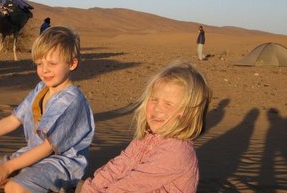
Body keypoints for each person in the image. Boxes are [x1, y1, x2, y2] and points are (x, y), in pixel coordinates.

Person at [0, 26, 95, 193]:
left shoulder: (71, 101)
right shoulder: (41, 89)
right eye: (39, 63)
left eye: (52, 63)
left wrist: (8, 168)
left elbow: (47, 147)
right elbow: (13, 120)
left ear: (72, 63)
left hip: (61, 162)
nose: (44, 69)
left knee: (14, 187)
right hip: (33, 153)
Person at [80, 61, 211, 193]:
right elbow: (117, 167)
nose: (157, 109)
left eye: (168, 104)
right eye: (154, 99)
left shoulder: (177, 151)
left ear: (186, 113)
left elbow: (131, 185)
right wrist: (92, 188)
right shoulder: (144, 139)